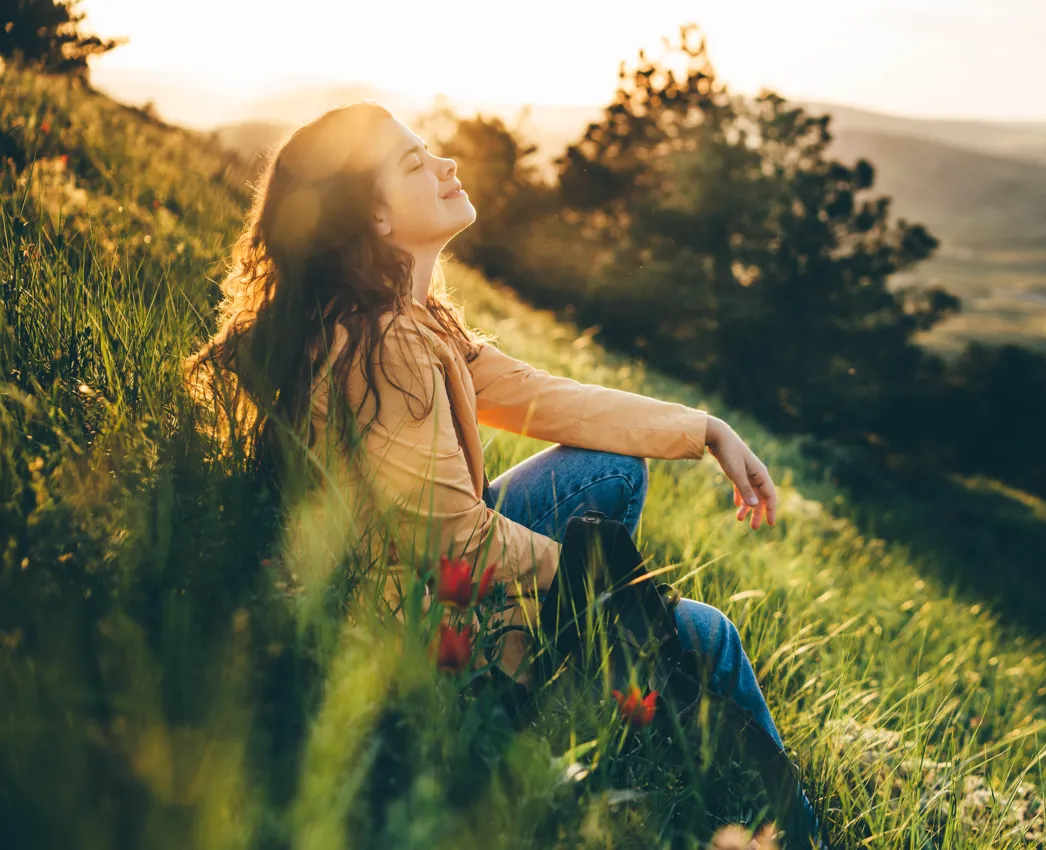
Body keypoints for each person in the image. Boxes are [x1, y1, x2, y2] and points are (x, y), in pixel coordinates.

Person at [182, 100, 823, 846]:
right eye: (415, 165)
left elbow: (542, 397)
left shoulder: (413, 316)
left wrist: (704, 430)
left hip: (413, 580)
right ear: (377, 223)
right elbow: (452, 541)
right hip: (427, 637)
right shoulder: (385, 342)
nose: (446, 165)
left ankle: (582, 661)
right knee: (708, 635)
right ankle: (797, 830)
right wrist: (613, 600)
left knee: (609, 469)